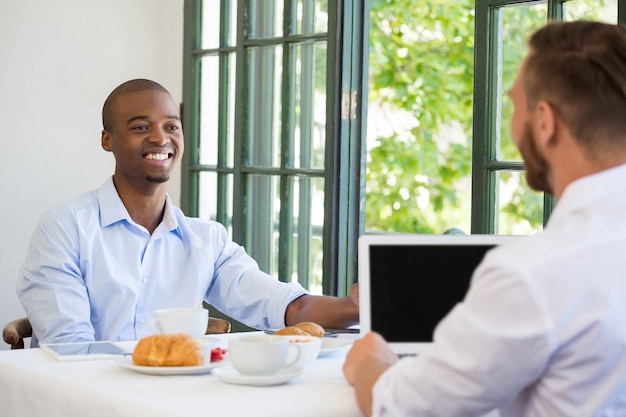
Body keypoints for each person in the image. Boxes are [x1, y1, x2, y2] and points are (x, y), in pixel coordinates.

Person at [343, 20, 626, 417]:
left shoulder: (535, 273)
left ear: (545, 122)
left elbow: (400, 407)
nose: (512, 125)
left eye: (514, 105)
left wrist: (371, 362)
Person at [17, 78, 359, 347]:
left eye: (171, 126)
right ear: (107, 140)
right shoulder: (64, 229)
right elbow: (72, 351)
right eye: (140, 127)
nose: (160, 138)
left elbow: (288, 308)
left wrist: (356, 306)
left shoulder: (205, 239)